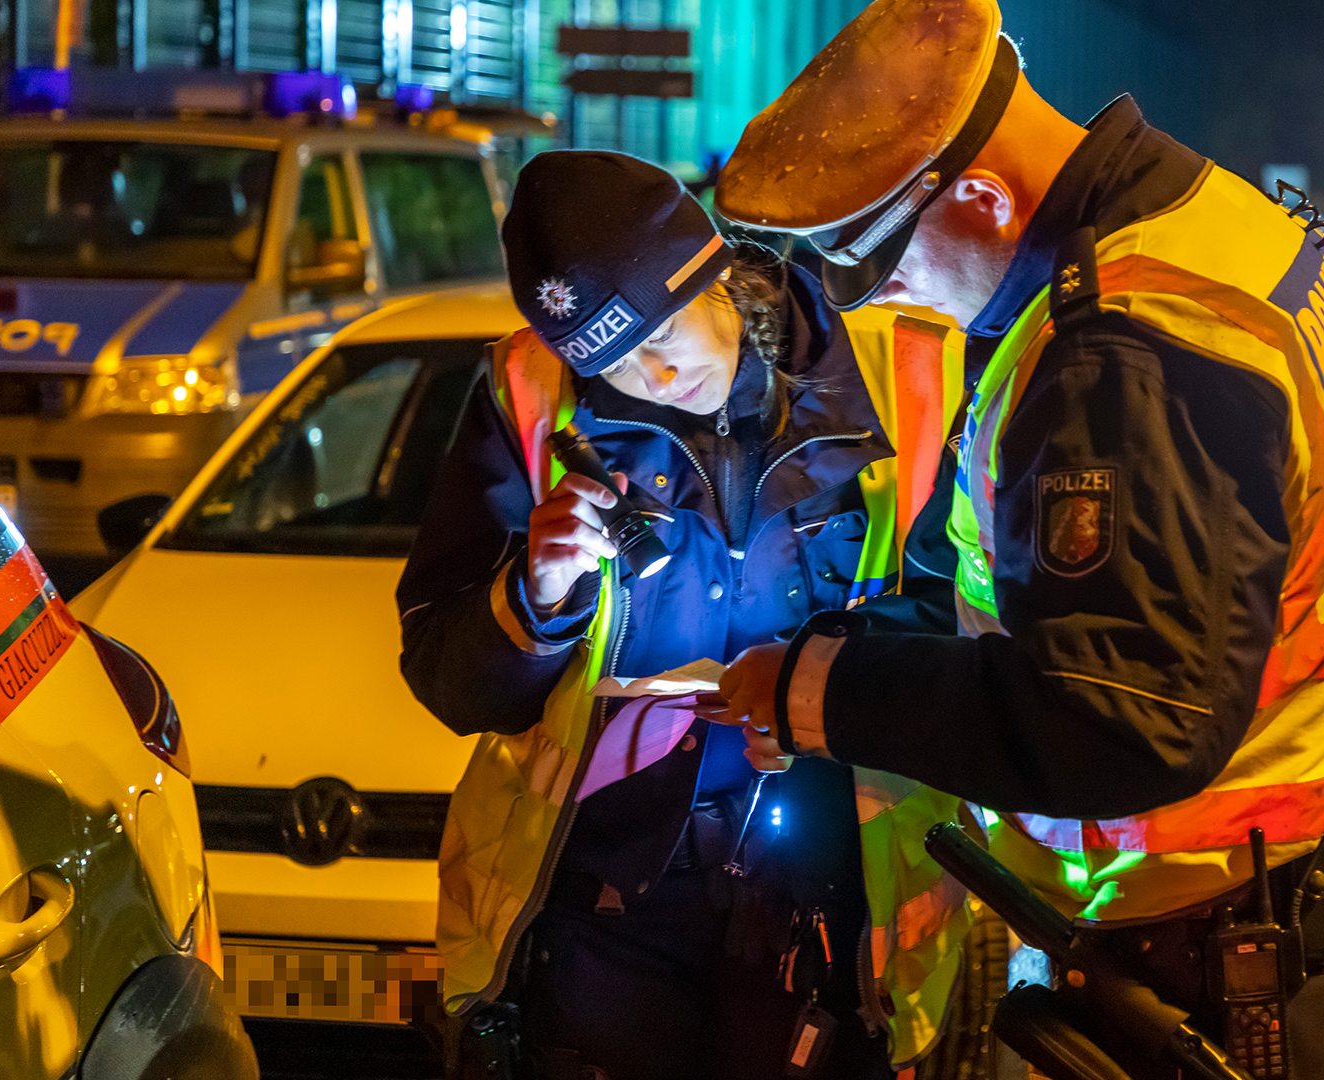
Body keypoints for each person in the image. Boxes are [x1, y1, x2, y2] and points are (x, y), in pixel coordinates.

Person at [708, 2, 1324, 1079]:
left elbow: (1127, 722)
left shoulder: (1125, 357)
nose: (875, 301)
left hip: (1216, 943)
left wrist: (827, 695)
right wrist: (849, 651)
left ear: (986, 197)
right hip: (1264, 898)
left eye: (868, 262)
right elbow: (1038, 599)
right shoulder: (1191, 230)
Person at [396, 151, 973, 1080]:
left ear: (716, 271)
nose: (654, 378)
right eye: (615, 365)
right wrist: (536, 597)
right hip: (605, 894)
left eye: (661, 339)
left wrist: (818, 684)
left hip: (833, 889)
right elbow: (444, 675)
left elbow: (972, 630)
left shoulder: (905, 376)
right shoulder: (530, 398)